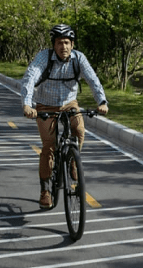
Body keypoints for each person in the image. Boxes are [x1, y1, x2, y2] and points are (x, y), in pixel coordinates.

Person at [21, 24, 109, 209]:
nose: (64, 47)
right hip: (46, 104)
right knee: (49, 147)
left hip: (70, 103)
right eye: (60, 43)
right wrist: (28, 104)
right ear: (53, 44)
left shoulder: (79, 58)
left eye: (67, 43)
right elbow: (30, 78)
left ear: (73, 44)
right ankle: (45, 190)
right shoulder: (44, 57)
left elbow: (93, 79)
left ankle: (72, 162)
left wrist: (102, 101)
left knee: (79, 130)